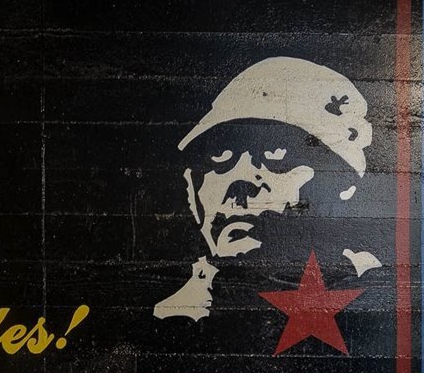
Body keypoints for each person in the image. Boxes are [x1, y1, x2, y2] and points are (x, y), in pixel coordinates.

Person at [154, 56, 382, 323]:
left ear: (343, 189)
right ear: (193, 193)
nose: (240, 186)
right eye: (220, 159)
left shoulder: (367, 287)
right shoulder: (177, 314)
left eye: (275, 157)